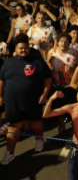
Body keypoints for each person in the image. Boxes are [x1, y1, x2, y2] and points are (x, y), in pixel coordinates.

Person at [0, 34, 52, 165]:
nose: (24, 50)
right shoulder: (8, 62)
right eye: (21, 48)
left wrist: (45, 94)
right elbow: (1, 81)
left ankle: (39, 140)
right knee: (13, 128)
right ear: (15, 49)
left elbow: (47, 78)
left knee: (35, 123)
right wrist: (0, 95)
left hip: (33, 101)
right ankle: (9, 153)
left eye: (26, 48)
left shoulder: (38, 61)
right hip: (12, 103)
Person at [47, 32, 78, 132]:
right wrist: (51, 70)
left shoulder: (74, 53)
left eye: (66, 41)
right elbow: (48, 63)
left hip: (71, 85)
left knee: (73, 105)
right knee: (59, 106)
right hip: (57, 84)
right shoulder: (51, 52)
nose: (63, 43)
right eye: (61, 41)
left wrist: (72, 69)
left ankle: (74, 123)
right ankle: (62, 123)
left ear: (69, 43)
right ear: (58, 42)